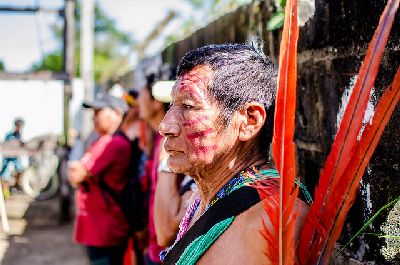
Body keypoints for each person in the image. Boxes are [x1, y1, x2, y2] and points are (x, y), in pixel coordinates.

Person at [158, 43, 308, 264]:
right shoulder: (203, 197)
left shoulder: (276, 219)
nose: (165, 125)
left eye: (188, 106)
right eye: (172, 105)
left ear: (249, 121)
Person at [68, 93, 131, 265]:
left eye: (98, 112)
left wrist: (77, 167)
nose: (93, 118)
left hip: (105, 229)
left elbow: (76, 174)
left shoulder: (112, 143)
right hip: (101, 226)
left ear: (117, 113)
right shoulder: (105, 140)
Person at [0, 118, 25, 196]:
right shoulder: (9, 135)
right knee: (4, 174)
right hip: (7, 156)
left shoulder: (20, 136)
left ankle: (15, 187)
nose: (19, 127)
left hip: (15, 157)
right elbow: (5, 145)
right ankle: (4, 191)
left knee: (20, 170)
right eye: (18, 125)